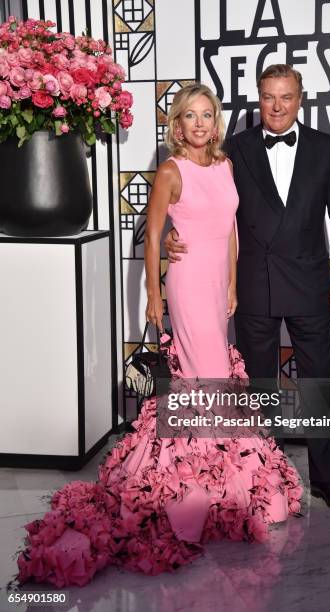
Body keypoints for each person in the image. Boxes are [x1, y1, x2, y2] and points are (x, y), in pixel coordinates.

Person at [16, 83, 302, 588]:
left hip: (218, 286)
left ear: (215, 123)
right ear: (178, 124)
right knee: (208, 377)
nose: (199, 123)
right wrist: (153, 293)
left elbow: (232, 228)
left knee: (208, 376)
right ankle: (200, 486)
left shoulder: (226, 166)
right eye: (189, 115)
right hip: (188, 285)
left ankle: (215, 479)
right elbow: (153, 235)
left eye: (207, 115)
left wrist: (234, 282)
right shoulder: (172, 170)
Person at [165, 65, 330, 513]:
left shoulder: (328, 149)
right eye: (268, 97)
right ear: (258, 98)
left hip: (310, 282)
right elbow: (202, 199)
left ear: (300, 99)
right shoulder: (233, 148)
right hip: (253, 283)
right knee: (259, 387)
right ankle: (263, 476)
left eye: (285, 97)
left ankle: (326, 482)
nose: (276, 106)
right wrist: (173, 235)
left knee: (317, 385)